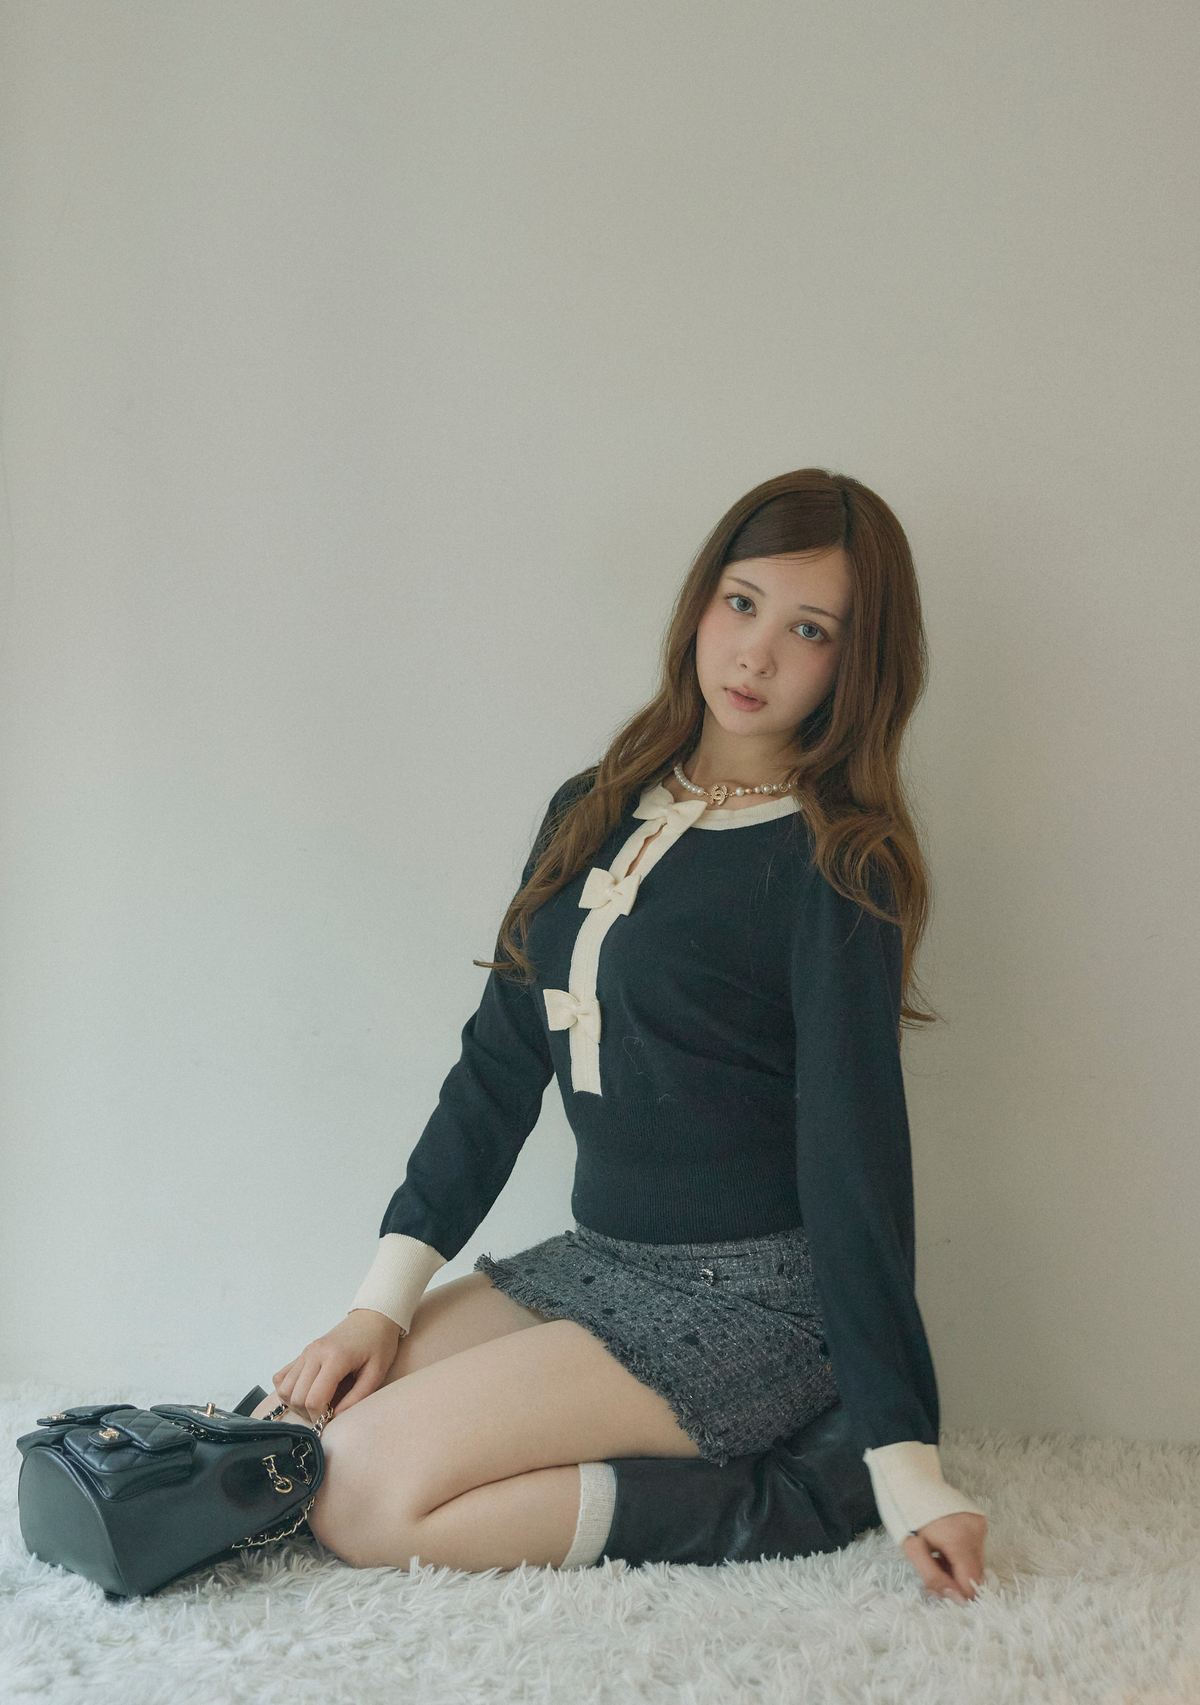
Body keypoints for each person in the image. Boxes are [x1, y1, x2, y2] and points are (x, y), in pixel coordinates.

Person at [250, 468, 989, 1601]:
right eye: (741, 604)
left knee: (355, 1498)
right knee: (283, 1439)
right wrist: (378, 1305)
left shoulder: (839, 865)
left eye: (809, 630)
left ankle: (794, 1496)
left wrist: (904, 1460)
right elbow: (498, 1069)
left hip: (755, 1303)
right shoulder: (591, 806)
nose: (755, 655)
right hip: (595, 1261)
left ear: (858, 664)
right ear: (701, 602)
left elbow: (856, 1164)